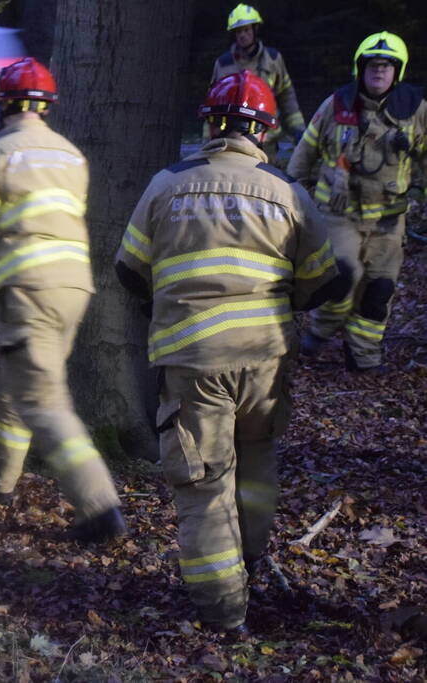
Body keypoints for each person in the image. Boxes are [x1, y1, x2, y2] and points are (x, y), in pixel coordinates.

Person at [115, 71, 349, 636]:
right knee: (257, 464)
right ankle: (251, 566)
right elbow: (324, 279)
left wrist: (168, 305)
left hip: (193, 363)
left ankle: (222, 612)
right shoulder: (287, 191)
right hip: (266, 360)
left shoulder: (166, 184)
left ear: (209, 125)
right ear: (263, 132)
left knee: (203, 483)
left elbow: (129, 269)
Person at [0, 57, 126, 545]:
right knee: (23, 382)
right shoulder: (72, 155)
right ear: (46, 107)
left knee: (44, 400)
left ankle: (100, 509)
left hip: (27, 288)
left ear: (3, 105)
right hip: (74, 289)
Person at [288, 31, 427, 372]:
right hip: (339, 216)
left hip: (389, 222)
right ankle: (319, 332)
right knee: (342, 278)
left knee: (380, 289)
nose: (379, 71)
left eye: (386, 65)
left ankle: (363, 356)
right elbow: (303, 155)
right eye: (372, 65)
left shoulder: (416, 110)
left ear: (398, 70)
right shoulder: (336, 105)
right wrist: (292, 200)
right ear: (359, 68)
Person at [210, 4, 305, 164]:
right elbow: (212, 106)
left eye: (246, 30)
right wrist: (209, 141)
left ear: (255, 30)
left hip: (267, 141)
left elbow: (287, 97)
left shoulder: (273, 59)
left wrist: (299, 131)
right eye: (238, 31)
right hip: (232, 142)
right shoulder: (223, 64)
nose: (242, 35)